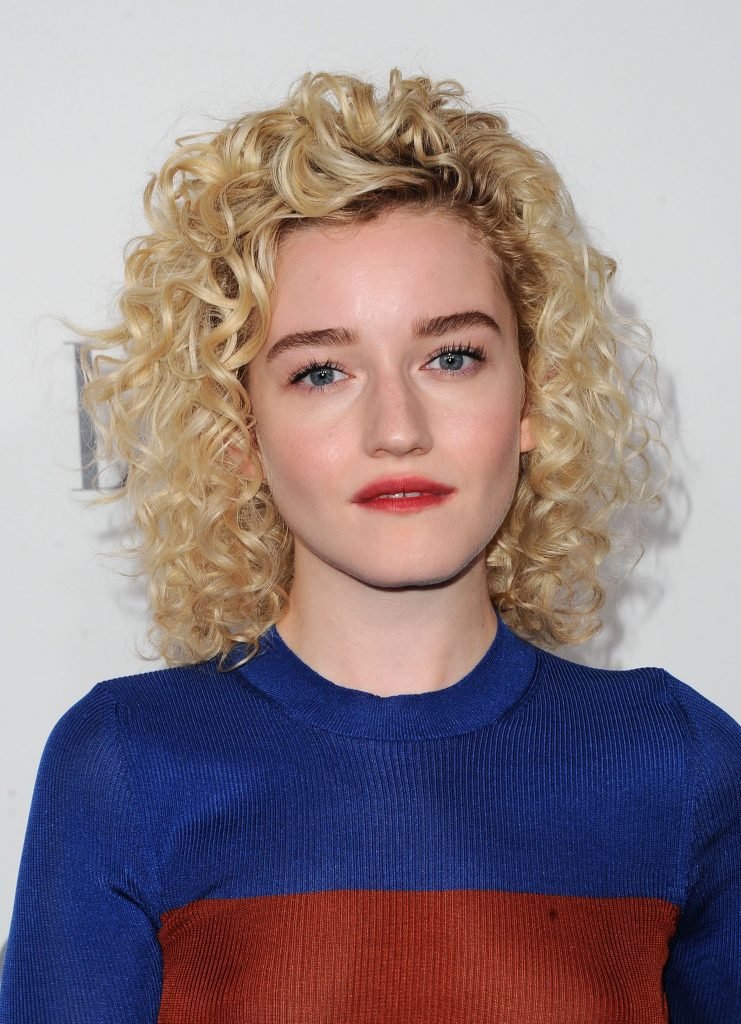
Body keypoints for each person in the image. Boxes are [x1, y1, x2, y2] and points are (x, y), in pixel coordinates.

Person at [0, 70, 738, 1023]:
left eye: (451, 357)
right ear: (236, 432)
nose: (397, 428)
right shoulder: (126, 767)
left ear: (535, 397)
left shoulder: (678, 767)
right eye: (320, 372)